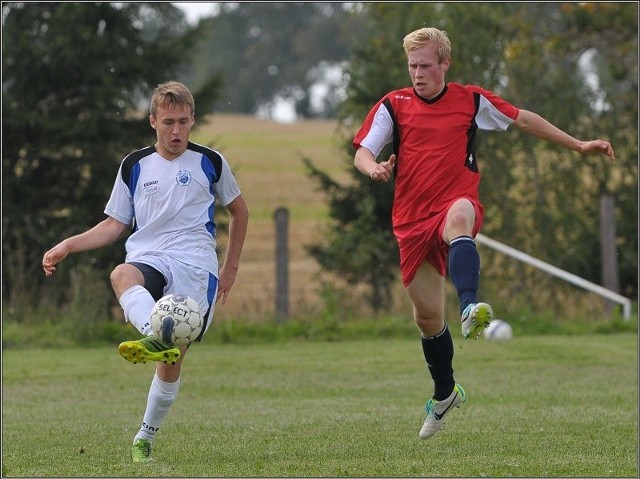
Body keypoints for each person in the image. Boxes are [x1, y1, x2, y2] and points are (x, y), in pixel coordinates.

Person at [352, 27, 614, 440]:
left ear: (444, 64)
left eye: (425, 65)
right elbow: (363, 150)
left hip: (456, 201)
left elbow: (522, 118)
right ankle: (444, 393)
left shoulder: (469, 100)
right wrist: (374, 168)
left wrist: (578, 145)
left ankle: (471, 307)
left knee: (459, 220)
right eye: (412, 66)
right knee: (426, 319)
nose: (418, 73)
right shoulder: (393, 105)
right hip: (410, 221)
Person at [42, 81, 249, 461]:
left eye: (184, 122)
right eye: (168, 122)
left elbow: (240, 211)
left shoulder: (210, 162)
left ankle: (145, 437)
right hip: (151, 254)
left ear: (192, 121)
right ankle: (156, 334)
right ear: (153, 121)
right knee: (122, 274)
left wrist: (231, 266)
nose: (176, 131)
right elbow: (114, 224)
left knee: (173, 361)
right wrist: (68, 244)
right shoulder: (134, 165)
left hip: (196, 263)